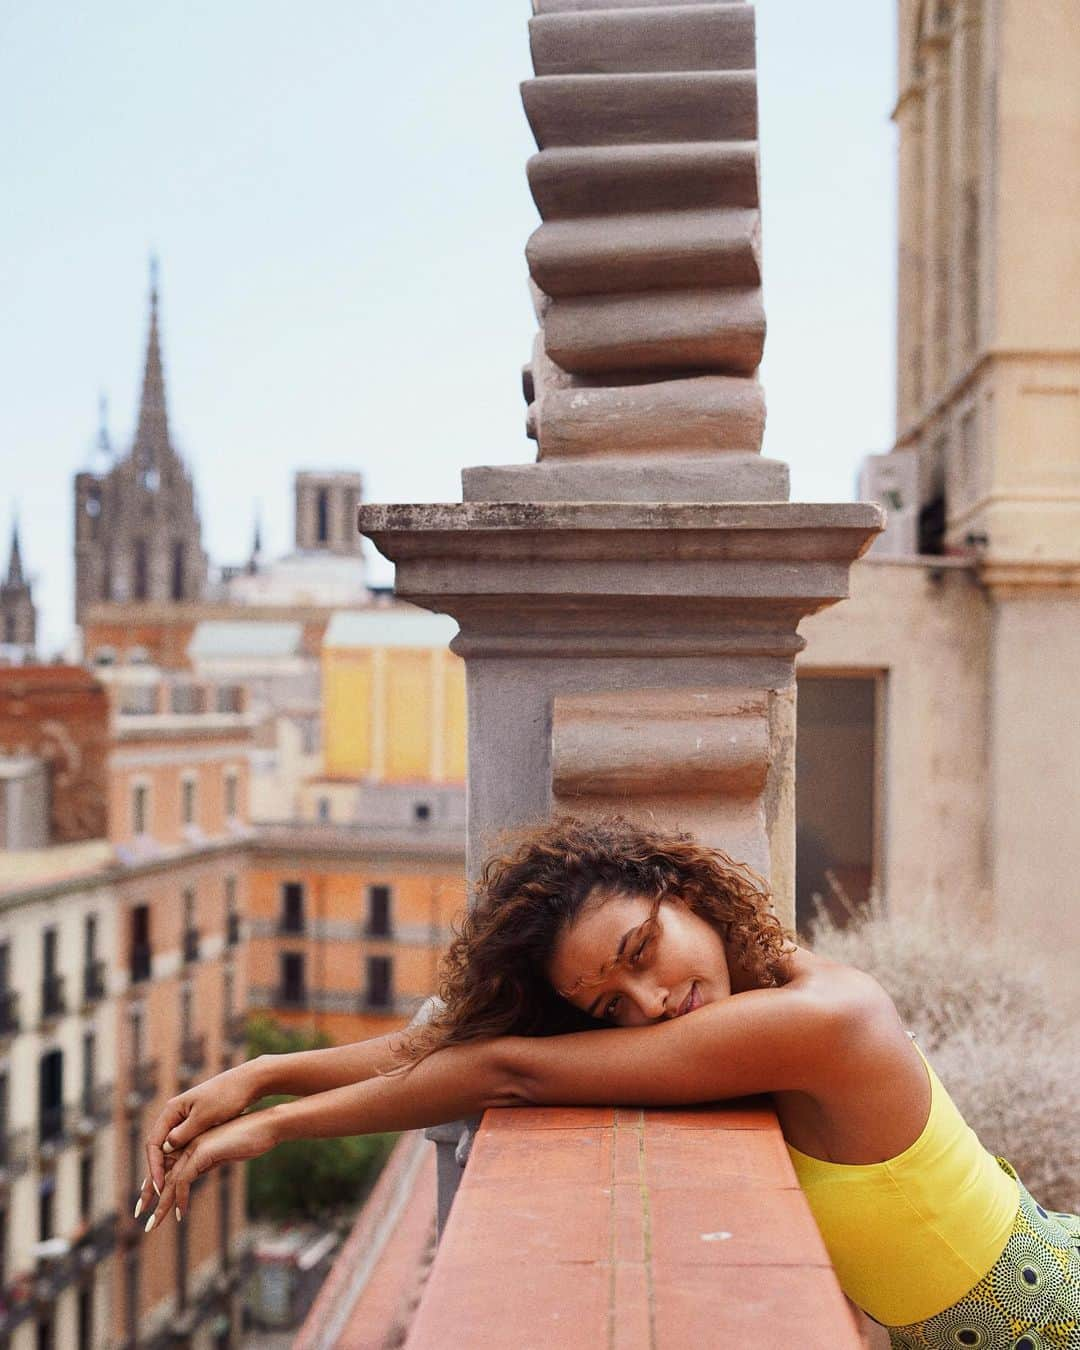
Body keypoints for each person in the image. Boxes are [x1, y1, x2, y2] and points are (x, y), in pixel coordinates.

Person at [136, 816, 1079, 1346]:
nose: (650, 1002)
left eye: (641, 952)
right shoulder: (759, 979)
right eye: (610, 1009)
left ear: (688, 895)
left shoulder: (819, 1019)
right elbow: (474, 1040)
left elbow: (507, 1069)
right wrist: (267, 1073)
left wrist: (276, 1125)